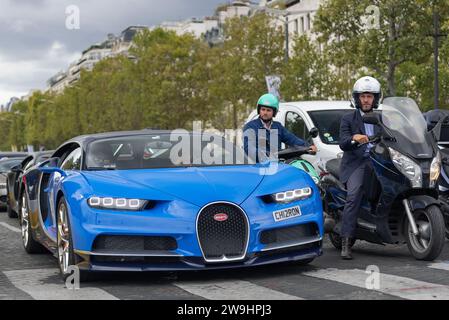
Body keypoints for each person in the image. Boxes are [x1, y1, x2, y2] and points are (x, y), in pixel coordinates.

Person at [339, 76, 383, 260]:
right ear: (357, 98)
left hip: (379, 162)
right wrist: (353, 139)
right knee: (354, 194)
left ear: (376, 98)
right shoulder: (348, 118)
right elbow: (343, 143)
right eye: (363, 96)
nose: (366, 100)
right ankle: (346, 241)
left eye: (370, 96)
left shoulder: (382, 118)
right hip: (357, 163)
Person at [243, 93, 317, 163]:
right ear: (259, 110)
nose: (265, 113)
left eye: (268, 110)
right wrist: (265, 155)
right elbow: (249, 148)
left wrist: (308, 147)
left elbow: (293, 139)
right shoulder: (250, 127)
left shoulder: (278, 127)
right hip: (258, 168)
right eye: (263, 109)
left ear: (274, 112)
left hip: (277, 166)